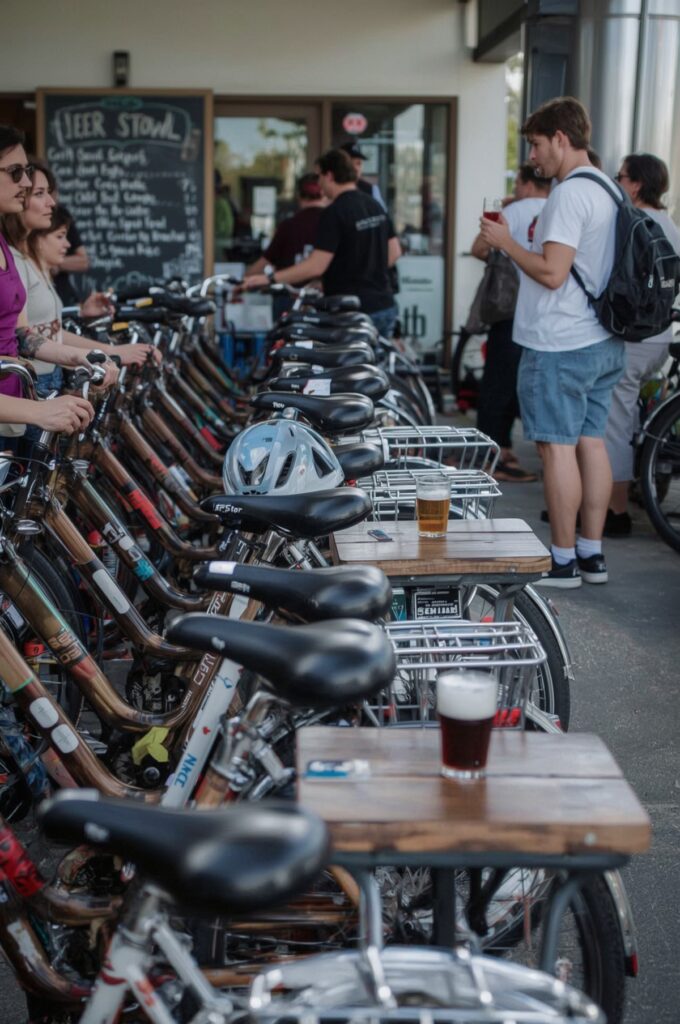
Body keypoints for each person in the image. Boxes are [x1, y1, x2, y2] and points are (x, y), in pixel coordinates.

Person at [479, 96, 623, 588]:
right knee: (591, 442)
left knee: (556, 450)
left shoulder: (568, 194)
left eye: (537, 145)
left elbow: (553, 272)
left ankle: (561, 561)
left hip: (560, 342)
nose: (533, 157)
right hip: (603, 339)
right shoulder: (609, 188)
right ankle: (591, 554)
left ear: (561, 139)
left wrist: (507, 245)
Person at [0, 125, 94, 444]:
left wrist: (79, 356)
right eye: (15, 172)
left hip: (11, 414)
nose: (25, 183)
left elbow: (20, 333)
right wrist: (37, 412)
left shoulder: (4, 248)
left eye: (26, 172)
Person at [603, 153, 680, 537]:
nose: (617, 182)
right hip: (662, 339)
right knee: (629, 412)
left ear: (635, 184)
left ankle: (614, 510)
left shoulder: (634, 223)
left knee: (613, 421)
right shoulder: (671, 226)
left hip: (634, 337)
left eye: (620, 177)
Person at [245, 149, 401, 337]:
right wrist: (364, 272)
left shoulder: (334, 212)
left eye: (319, 177)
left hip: (352, 311)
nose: (318, 183)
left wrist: (268, 279)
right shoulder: (373, 204)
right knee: (375, 366)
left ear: (329, 175)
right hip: (384, 305)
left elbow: (316, 266)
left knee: (346, 366)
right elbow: (394, 253)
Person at [470, 163, 551, 481]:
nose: (515, 188)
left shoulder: (515, 211)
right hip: (549, 314)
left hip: (510, 308)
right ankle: (507, 450)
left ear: (530, 183)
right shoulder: (558, 207)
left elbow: (479, 249)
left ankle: (493, 455)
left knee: (497, 383)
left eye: (517, 182)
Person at [245, 173, 326, 317]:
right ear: (324, 193)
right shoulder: (334, 222)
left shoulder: (288, 226)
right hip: (324, 300)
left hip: (289, 299)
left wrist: (243, 280)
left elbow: (265, 262)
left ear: (299, 196)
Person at [340, 140, 386, 210]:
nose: (355, 168)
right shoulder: (331, 189)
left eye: (359, 163)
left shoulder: (372, 190)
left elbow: (382, 216)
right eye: (350, 163)